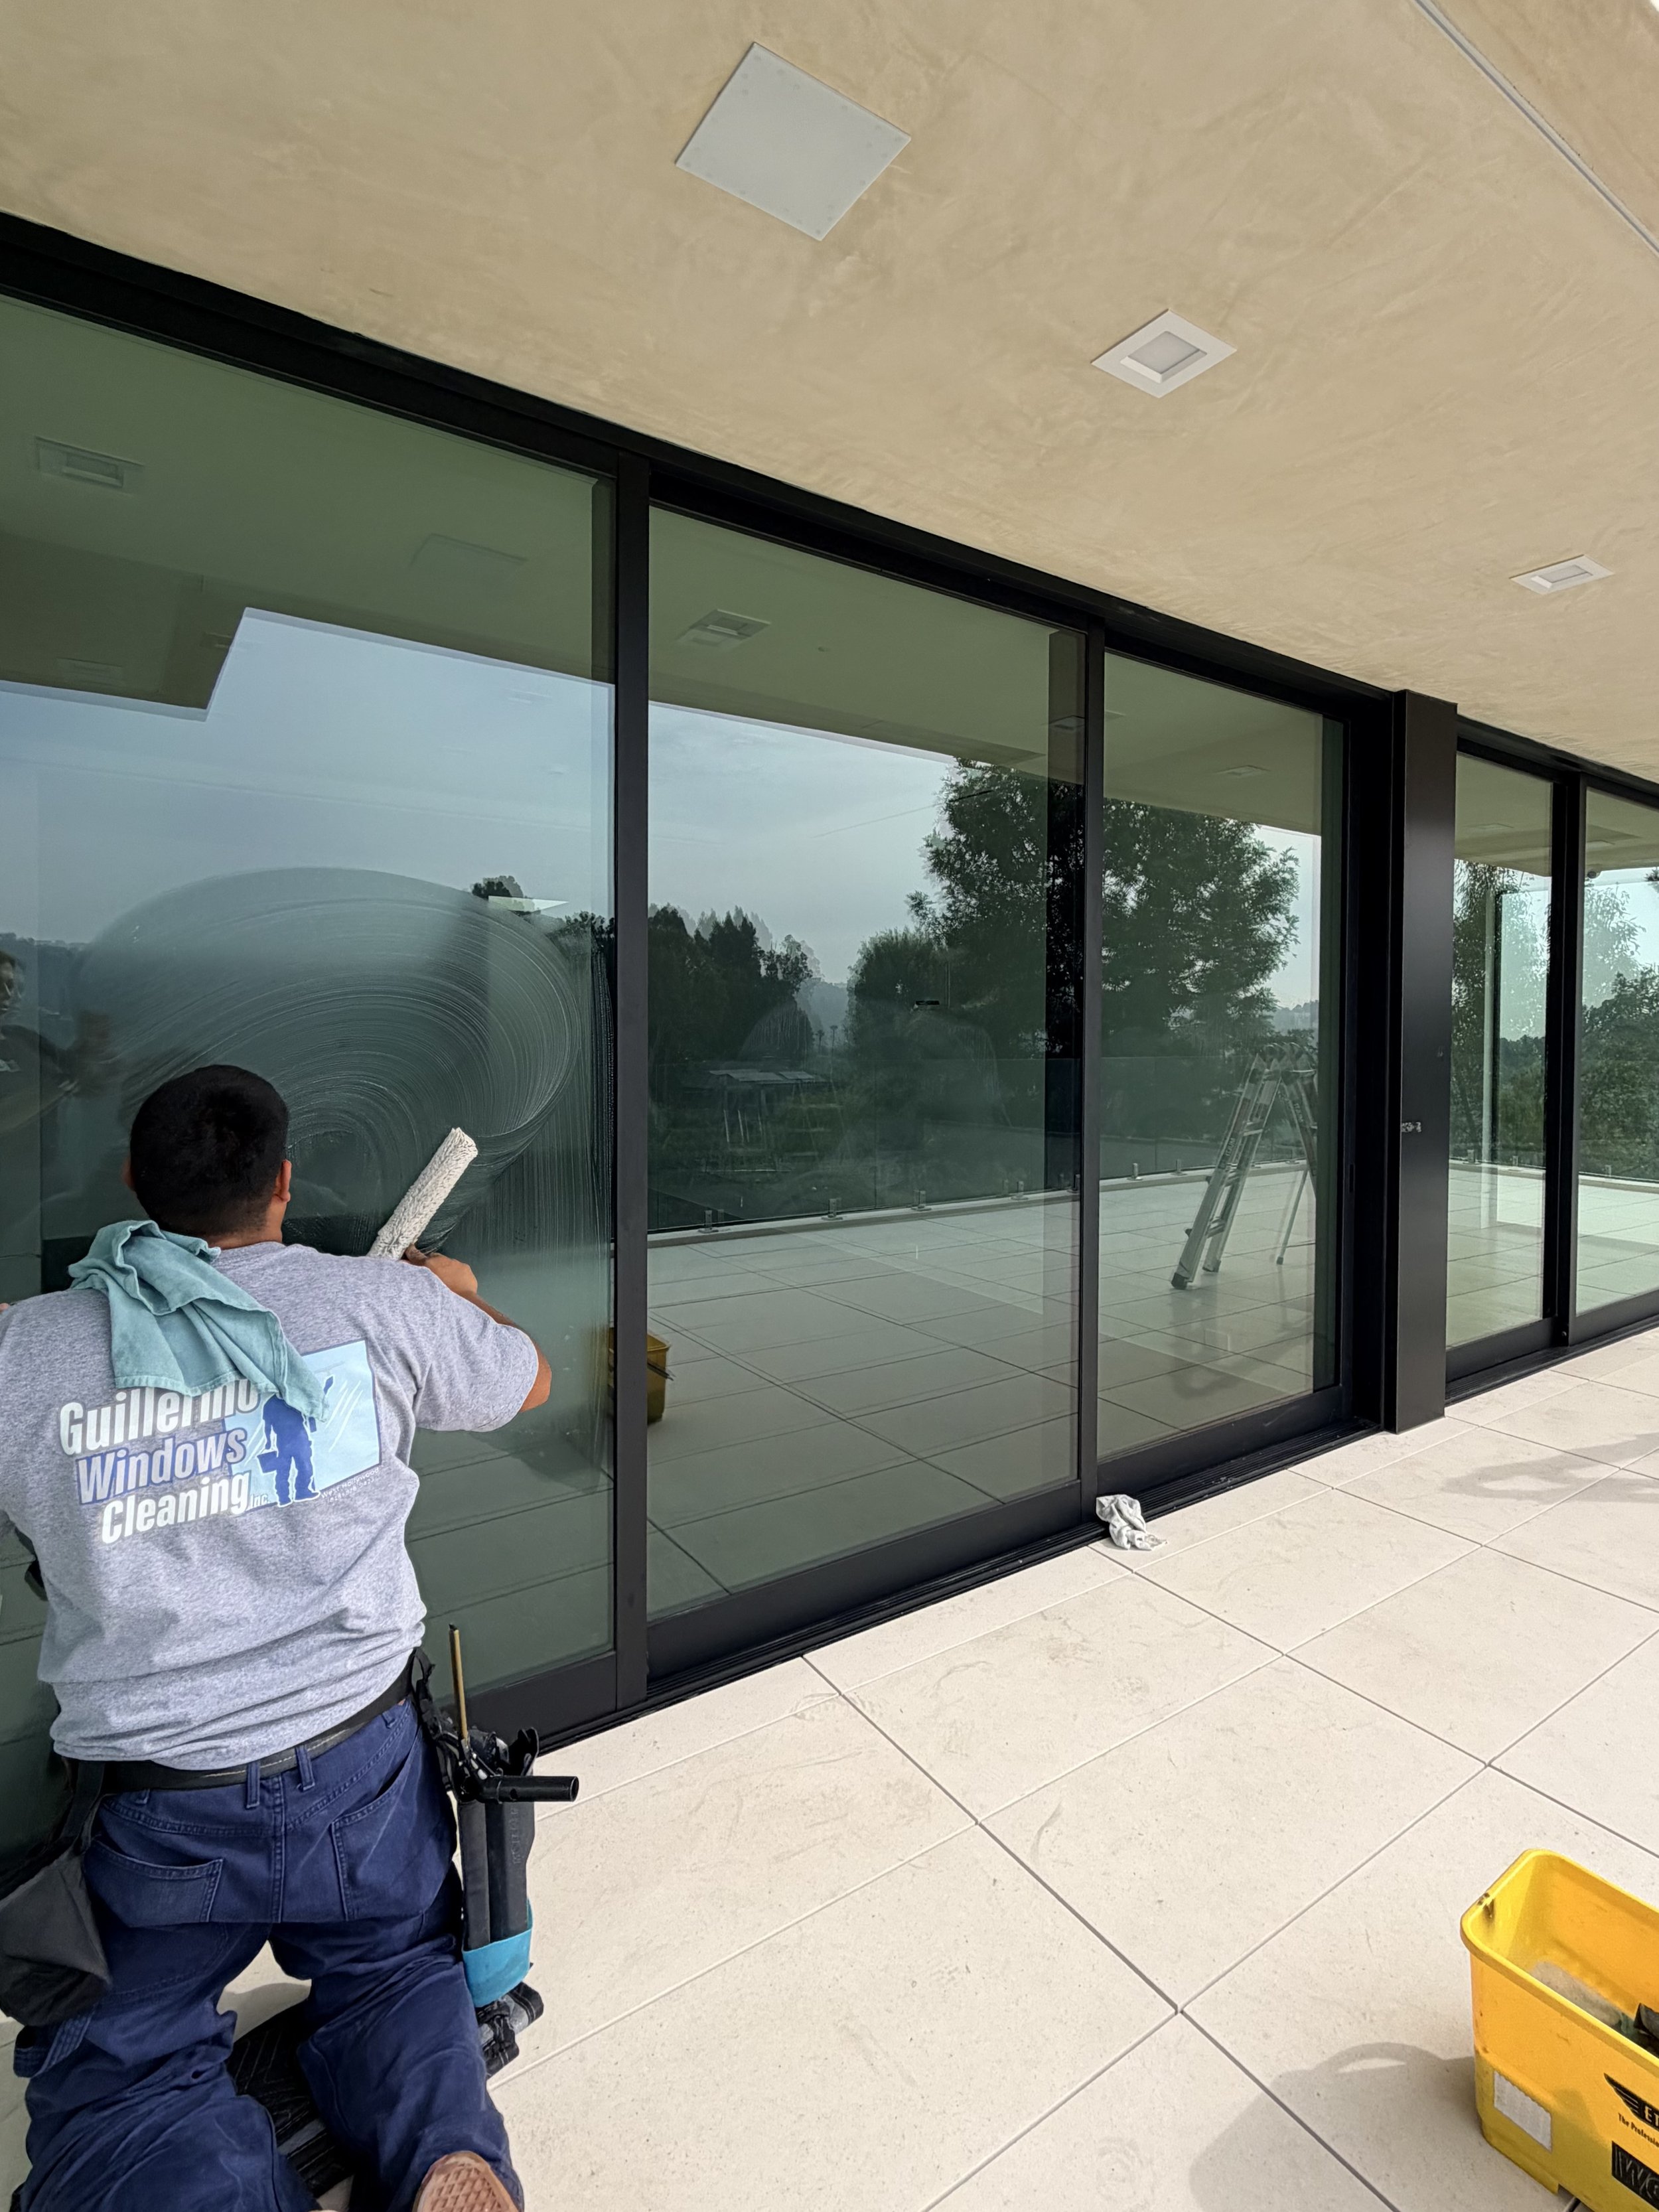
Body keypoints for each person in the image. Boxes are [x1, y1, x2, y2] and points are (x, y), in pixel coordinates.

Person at [0, 1065, 551, 2212]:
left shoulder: (24, 1352)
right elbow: (528, 1376)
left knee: (125, 2074)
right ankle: (449, 2155)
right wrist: (455, 1295)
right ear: (284, 1182)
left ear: (133, 1186)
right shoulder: (377, 1303)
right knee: (395, 1969)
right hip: (363, 1767)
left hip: (162, 1807)